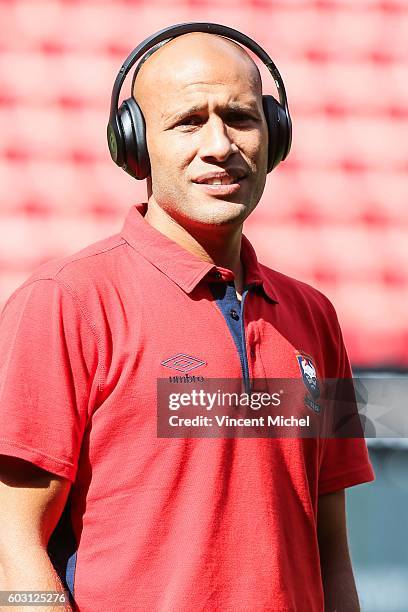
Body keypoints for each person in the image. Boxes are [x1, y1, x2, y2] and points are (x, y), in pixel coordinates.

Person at [0, 23, 374, 612]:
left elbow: (330, 548)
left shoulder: (316, 317)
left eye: (241, 118)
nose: (220, 144)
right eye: (188, 121)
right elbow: (10, 540)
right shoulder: (64, 301)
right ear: (134, 145)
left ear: (276, 136)